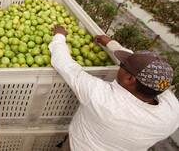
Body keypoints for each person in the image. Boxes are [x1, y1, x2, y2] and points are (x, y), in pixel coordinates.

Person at [49, 24, 179, 151]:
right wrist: (112, 44)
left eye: (123, 66)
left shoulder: (103, 98)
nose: (120, 65)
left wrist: (59, 36)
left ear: (129, 79)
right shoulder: (172, 111)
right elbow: (142, 70)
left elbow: (65, 64)